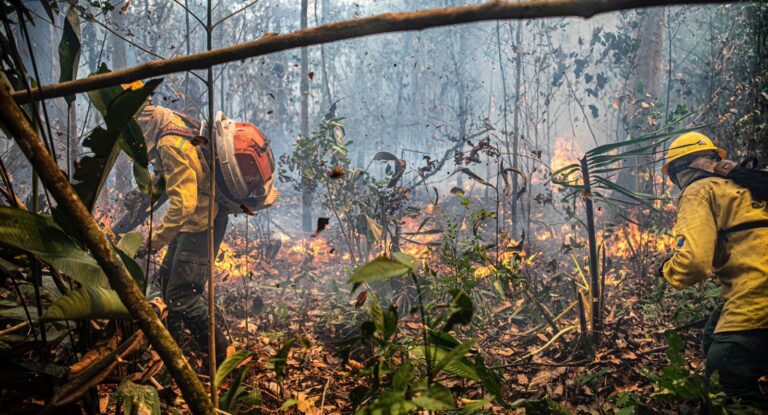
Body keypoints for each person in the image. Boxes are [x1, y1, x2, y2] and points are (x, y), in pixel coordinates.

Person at [123, 81, 279, 368]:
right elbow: (179, 175)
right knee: (167, 284)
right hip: (200, 219)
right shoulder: (168, 119)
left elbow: (183, 203)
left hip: (202, 223)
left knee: (181, 295)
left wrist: (153, 242)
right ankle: (174, 352)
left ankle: (224, 357)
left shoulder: (167, 143)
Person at [651, 131, 768, 410]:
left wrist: (667, 268)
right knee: (712, 333)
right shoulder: (751, 186)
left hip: (758, 299)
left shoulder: (699, 191)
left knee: (724, 379)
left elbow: (692, 263)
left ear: (679, 171)